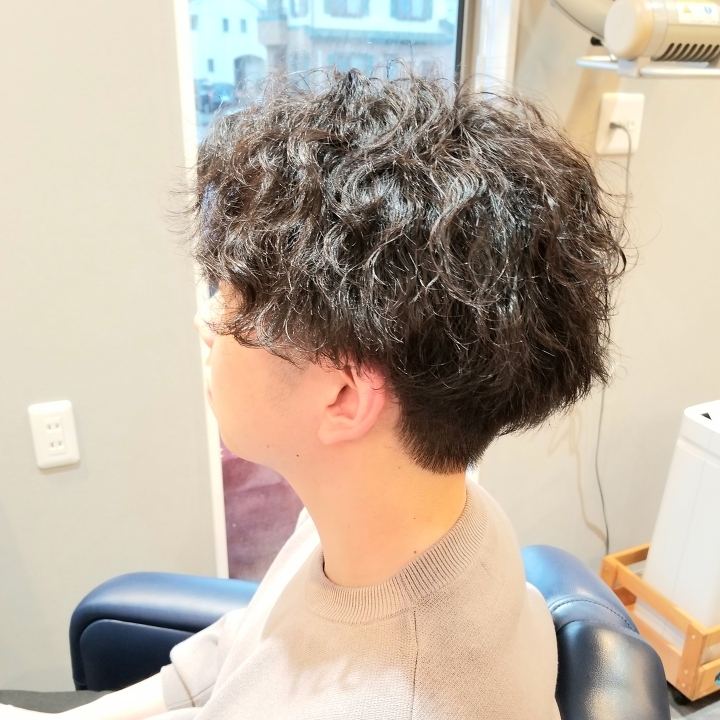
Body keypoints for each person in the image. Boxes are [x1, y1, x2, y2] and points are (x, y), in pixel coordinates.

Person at [2, 69, 624, 720]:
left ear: (343, 399)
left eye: (231, 299)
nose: (206, 322)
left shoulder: (396, 700)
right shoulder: (411, 511)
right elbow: (246, 650)